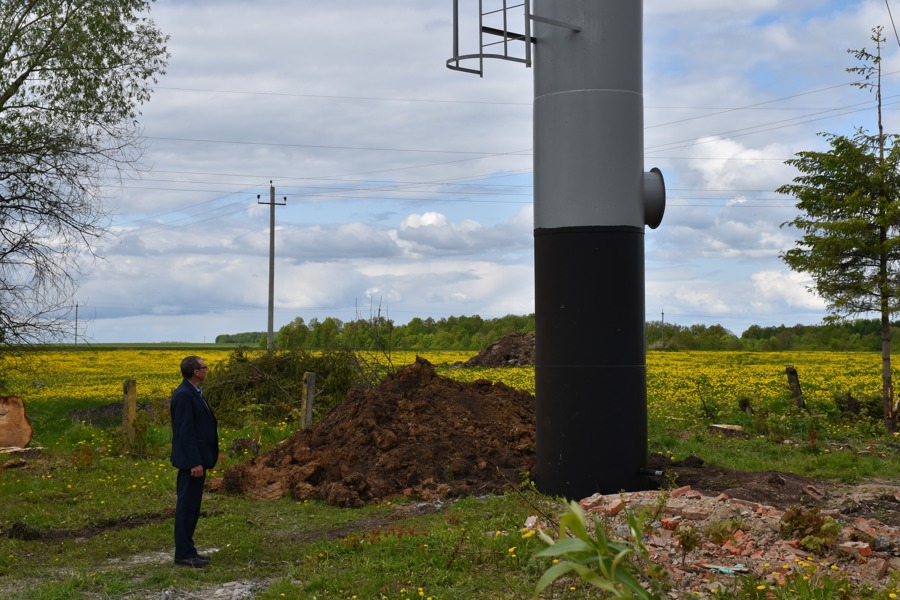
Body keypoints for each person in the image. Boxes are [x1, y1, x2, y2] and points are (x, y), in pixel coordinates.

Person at [170, 355, 219, 568]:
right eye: (204, 367)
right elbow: (185, 432)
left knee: (192, 508)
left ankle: (188, 550)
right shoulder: (183, 395)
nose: (207, 370)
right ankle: (183, 554)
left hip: (199, 460)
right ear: (196, 372)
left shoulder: (195, 393)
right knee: (186, 508)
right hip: (193, 464)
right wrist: (194, 462)